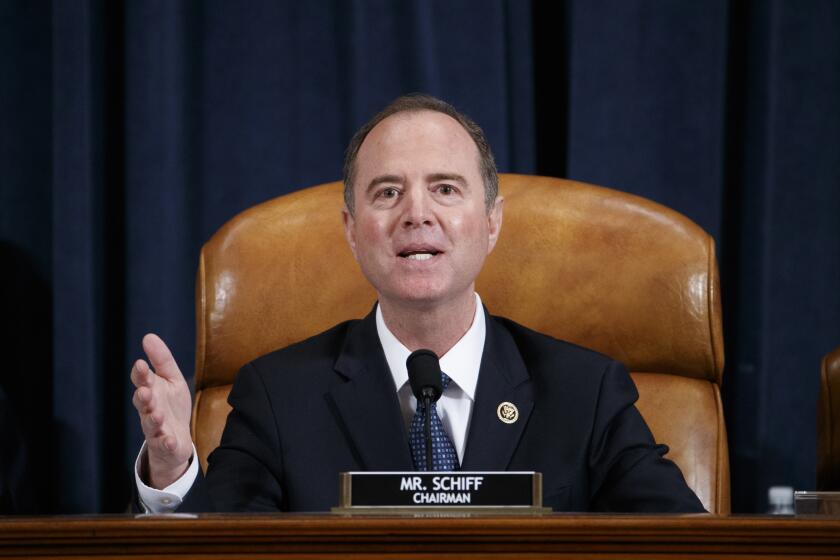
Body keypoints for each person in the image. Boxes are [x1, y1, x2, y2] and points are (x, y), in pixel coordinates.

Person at [131, 94, 704, 513]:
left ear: (492, 223)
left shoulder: (586, 391)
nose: (417, 214)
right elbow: (219, 557)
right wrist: (174, 470)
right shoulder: (278, 397)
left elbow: (689, 550)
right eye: (388, 193)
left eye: (446, 188)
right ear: (353, 230)